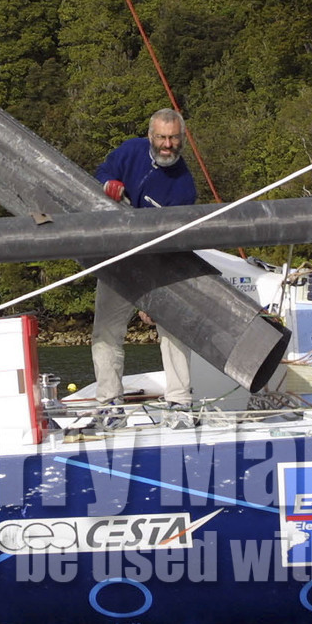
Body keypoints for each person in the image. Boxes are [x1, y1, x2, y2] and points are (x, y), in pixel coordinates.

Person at [90, 107, 196, 419]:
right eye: (162, 137)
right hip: (117, 260)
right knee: (105, 331)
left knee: (174, 330)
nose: (167, 145)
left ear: (182, 138)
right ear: (150, 136)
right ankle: (109, 405)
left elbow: (173, 244)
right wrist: (108, 184)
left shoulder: (184, 187)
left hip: (159, 265)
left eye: (173, 138)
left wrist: (150, 298)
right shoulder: (129, 151)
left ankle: (179, 403)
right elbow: (100, 173)